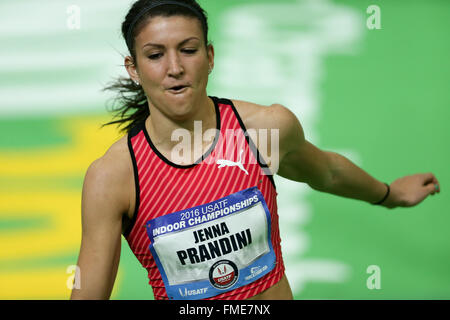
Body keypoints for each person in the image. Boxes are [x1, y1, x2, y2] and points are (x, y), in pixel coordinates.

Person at [70, 0, 440, 300]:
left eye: (188, 50)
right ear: (133, 69)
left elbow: (325, 171)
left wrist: (390, 194)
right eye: (155, 55)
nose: (175, 68)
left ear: (210, 56)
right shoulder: (114, 178)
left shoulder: (261, 130)